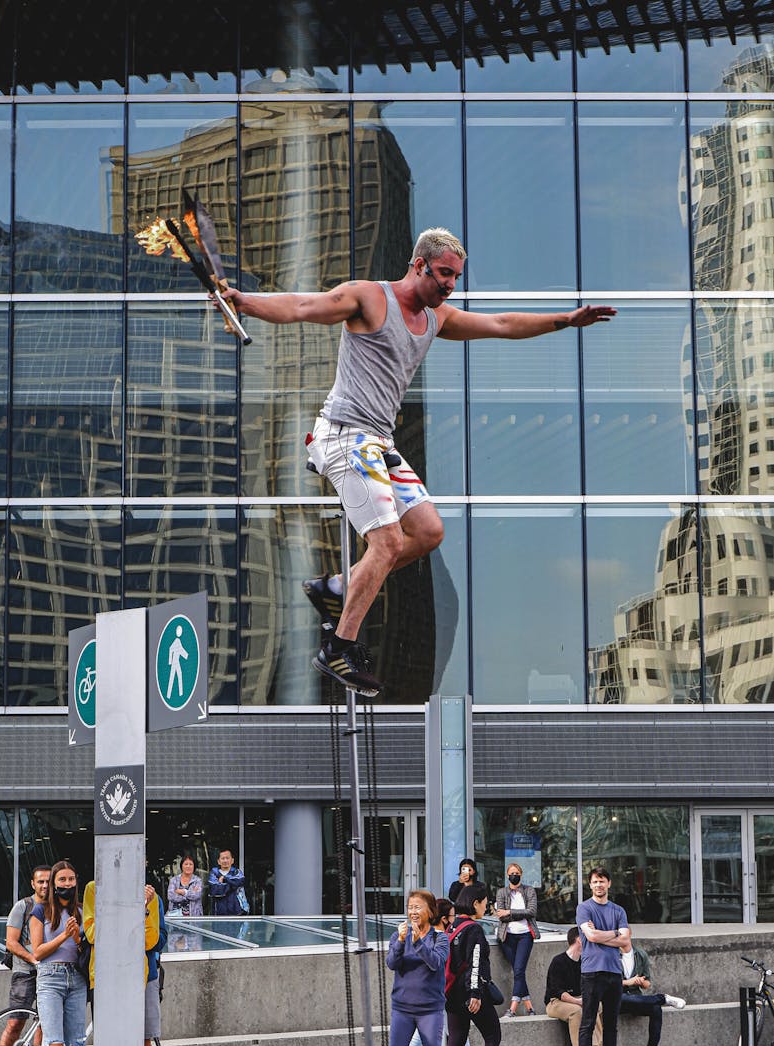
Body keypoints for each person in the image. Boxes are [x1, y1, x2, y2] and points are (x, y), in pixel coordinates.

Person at [222, 228, 615, 696]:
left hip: (379, 444)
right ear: (419, 265)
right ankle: (339, 649)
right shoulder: (369, 299)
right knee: (386, 544)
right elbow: (303, 307)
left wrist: (567, 320)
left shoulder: (437, 317)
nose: (450, 285)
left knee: (428, 532)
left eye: (456, 278)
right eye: (444, 274)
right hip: (344, 438)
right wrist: (244, 302)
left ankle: (334, 588)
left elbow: (503, 324)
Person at [82, 878, 161, 1046]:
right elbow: (93, 934)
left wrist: (144, 909)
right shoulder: (94, 889)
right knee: (107, 1045)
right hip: (103, 977)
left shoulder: (149, 896)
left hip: (134, 977)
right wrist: (131, 913)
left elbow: (150, 940)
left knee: (133, 1045)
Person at [401, 898, 487, 1046]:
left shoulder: (432, 936)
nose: (454, 919)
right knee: (455, 1043)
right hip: (438, 998)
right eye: (451, 916)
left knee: (449, 1041)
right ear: (443, 918)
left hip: (428, 997)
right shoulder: (441, 938)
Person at [442, 883, 520, 1046]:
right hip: (472, 993)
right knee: (492, 1035)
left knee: (455, 1041)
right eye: (485, 903)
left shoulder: (452, 927)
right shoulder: (473, 929)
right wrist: (475, 993)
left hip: (452, 994)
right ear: (475, 903)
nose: (487, 908)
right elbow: (475, 963)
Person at [381, 889, 449, 1046]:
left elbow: (435, 963)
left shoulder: (440, 938)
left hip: (430, 1009)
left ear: (430, 912)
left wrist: (418, 941)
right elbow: (391, 963)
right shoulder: (398, 935)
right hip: (402, 1008)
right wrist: (401, 942)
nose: (413, 912)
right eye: (410, 907)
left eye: (418, 907)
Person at [29, 861, 88, 1046]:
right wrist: (65, 934)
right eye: (62, 879)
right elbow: (37, 952)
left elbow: (83, 951)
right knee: (54, 1045)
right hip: (50, 978)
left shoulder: (79, 911)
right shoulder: (40, 911)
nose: (67, 884)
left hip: (76, 978)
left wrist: (77, 939)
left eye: (71, 879)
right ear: (53, 882)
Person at [0, 865, 51, 1046]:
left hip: (50, 973)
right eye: (41, 882)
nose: (45, 885)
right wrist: (34, 959)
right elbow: (11, 942)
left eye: (48, 881)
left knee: (45, 1023)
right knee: (15, 1022)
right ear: (33, 884)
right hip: (25, 972)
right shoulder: (23, 906)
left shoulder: (56, 907)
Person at [576, 868, 634, 1046]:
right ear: (590, 885)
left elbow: (626, 941)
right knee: (588, 1021)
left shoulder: (618, 910)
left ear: (609, 883)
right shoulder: (584, 908)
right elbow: (590, 935)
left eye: (602, 881)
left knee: (611, 1022)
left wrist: (601, 935)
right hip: (592, 972)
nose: (598, 885)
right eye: (594, 882)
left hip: (614, 971)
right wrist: (615, 934)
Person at [619, 930, 686, 1046]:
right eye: (618, 935)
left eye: (623, 934)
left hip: (636, 996)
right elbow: (609, 982)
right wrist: (628, 982)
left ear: (630, 934)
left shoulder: (640, 955)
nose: (621, 937)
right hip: (617, 997)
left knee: (655, 1009)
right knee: (624, 998)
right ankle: (663, 998)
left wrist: (641, 982)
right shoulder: (611, 955)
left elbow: (647, 983)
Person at [544, 925, 603, 1046]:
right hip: (556, 1002)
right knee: (577, 1011)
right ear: (579, 940)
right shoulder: (558, 961)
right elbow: (557, 991)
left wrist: (588, 999)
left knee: (597, 1005)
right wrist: (578, 1002)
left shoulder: (585, 961)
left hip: (578, 998)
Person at [495, 861, 538, 1017]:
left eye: (517, 873)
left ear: (521, 875)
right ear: (507, 875)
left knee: (519, 970)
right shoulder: (502, 892)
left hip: (525, 935)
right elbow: (501, 916)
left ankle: (512, 1009)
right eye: (511, 873)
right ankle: (530, 1007)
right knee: (518, 972)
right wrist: (514, 913)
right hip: (507, 936)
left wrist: (509, 912)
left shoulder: (529, 891)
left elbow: (531, 912)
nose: (514, 875)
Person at [143, 886, 167, 1046]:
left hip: (146, 974)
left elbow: (159, 939)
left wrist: (146, 908)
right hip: (112, 977)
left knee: (145, 1041)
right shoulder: (98, 891)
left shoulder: (154, 898)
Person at [207, 849, 246, 917]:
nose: (225, 860)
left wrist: (224, 879)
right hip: (218, 912)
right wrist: (230, 885)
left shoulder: (237, 872)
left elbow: (238, 883)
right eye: (223, 858)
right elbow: (214, 890)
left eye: (227, 858)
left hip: (236, 911)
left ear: (232, 860)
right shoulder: (214, 873)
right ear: (218, 861)